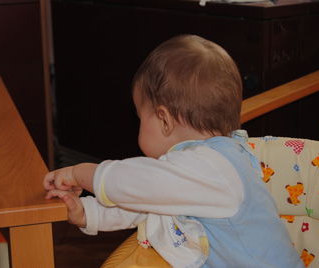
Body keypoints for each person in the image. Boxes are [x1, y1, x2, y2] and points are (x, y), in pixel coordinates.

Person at [43, 35, 303, 267]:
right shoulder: (189, 171)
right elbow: (144, 202)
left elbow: (135, 184)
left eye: (140, 117)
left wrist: (81, 173)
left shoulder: (212, 167)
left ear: (164, 120)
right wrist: (89, 213)